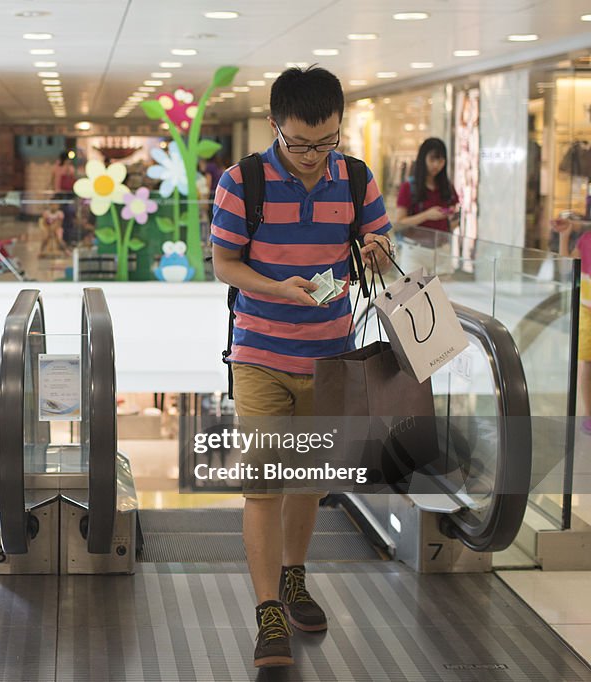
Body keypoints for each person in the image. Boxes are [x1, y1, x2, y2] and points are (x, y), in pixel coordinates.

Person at [210, 66, 393, 668]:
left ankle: (294, 578)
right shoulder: (243, 183)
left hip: (331, 357)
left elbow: (384, 253)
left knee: (309, 480)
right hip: (261, 355)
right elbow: (225, 266)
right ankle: (269, 614)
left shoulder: (358, 178)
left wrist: (376, 251)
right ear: (273, 126)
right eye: (300, 143)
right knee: (262, 485)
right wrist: (278, 289)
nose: (314, 156)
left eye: (326, 141)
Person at [395, 137, 460, 273]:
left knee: (441, 294)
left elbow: (456, 217)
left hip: (442, 250)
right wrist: (426, 215)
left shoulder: (448, 188)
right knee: (414, 293)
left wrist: (451, 221)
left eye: (441, 160)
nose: (436, 165)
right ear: (423, 158)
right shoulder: (408, 187)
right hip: (415, 250)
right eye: (432, 159)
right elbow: (399, 223)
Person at [553, 213, 591, 434]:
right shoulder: (585, 240)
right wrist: (564, 237)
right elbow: (566, 268)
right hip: (587, 312)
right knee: (587, 362)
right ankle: (588, 412)